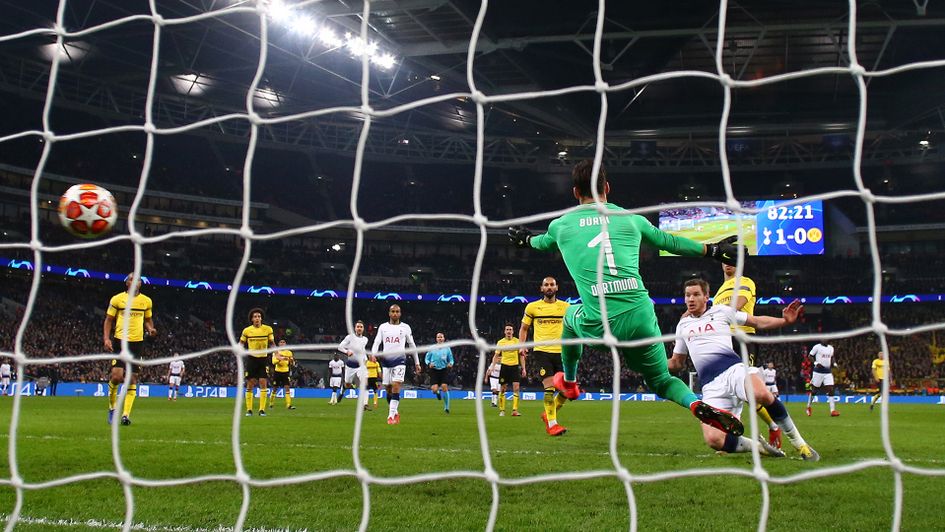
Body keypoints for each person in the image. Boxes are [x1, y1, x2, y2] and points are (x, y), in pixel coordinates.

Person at [508, 160, 744, 436]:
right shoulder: (632, 219)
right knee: (661, 380)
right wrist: (713, 251)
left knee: (570, 315)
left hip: (600, 322)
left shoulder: (561, 226)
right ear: (607, 187)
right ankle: (695, 404)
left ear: (575, 192)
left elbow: (541, 243)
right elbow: (670, 242)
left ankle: (570, 382)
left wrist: (525, 240)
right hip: (641, 316)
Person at [668, 279, 819, 460]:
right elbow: (677, 363)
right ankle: (757, 447)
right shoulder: (682, 326)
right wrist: (651, 364)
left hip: (733, 370)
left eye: (696, 294)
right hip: (710, 386)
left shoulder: (721, 311)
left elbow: (757, 322)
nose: (690, 299)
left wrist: (784, 321)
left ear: (707, 297)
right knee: (714, 439)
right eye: (687, 295)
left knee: (761, 393)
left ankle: (800, 444)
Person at [714, 261, 782, 449]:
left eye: (732, 261)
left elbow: (736, 306)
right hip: (724, 341)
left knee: (747, 391)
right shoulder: (719, 291)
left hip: (743, 340)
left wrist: (712, 314)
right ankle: (731, 439)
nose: (728, 264)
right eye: (725, 261)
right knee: (729, 391)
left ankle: (774, 425)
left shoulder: (745, 282)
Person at [103, 273, 156, 426]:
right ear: (127, 283)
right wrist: (106, 338)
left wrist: (151, 329)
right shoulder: (117, 299)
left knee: (132, 379)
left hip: (137, 343)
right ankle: (112, 408)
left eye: (138, 279)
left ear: (140, 284)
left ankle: (125, 415)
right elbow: (108, 320)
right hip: (120, 342)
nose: (135, 281)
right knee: (117, 377)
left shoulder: (146, 301)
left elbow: (148, 320)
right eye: (132, 278)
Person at [520, 277, 569, 436]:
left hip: (562, 352)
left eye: (552, 284)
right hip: (542, 352)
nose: (549, 287)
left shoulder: (566, 307)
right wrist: (522, 346)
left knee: (567, 391)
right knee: (549, 389)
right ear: (541, 288)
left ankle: (547, 413)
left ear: (557, 288)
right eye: (546, 285)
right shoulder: (533, 307)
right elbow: (524, 328)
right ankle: (552, 424)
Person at [371, 304, 421, 425]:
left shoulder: (405, 328)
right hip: (386, 361)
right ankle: (395, 411)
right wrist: (373, 354)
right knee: (388, 388)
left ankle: (390, 416)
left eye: (397, 311)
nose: (395, 314)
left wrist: (417, 362)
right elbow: (377, 341)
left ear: (400, 313)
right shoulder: (383, 327)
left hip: (400, 360)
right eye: (393, 311)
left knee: (396, 385)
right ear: (389, 313)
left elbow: (412, 345)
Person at [239, 308, 274, 417]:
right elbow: (240, 343)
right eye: (255, 317)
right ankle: (249, 410)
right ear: (252, 319)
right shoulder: (247, 331)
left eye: (259, 316)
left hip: (263, 359)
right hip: (252, 359)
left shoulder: (268, 329)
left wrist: (276, 352)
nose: (257, 318)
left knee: (263, 383)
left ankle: (261, 410)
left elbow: (272, 343)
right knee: (250, 383)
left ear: (261, 318)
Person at [487, 324, 525, 418]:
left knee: (516, 388)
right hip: (504, 367)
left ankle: (515, 410)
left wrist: (524, 368)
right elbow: (496, 356)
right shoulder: (500, 342)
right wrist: (492, 366)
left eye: (510, 329)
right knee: (503, 389)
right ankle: (502, 410)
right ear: (504, 331)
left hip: (515, 367)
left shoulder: (517, 341)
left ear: (513, 331)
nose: (508, 331)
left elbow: (521, 356)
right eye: (507, 329)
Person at [339, 321, 369, 410]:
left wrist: (366, 359)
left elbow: (362, 350)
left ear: (363, 329)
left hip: (360, 365)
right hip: (350, 366)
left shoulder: (365, 339)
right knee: (348, 384)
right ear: (355, 328)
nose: (359, 328)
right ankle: (342, 391)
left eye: (361, 327)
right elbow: (340, 347)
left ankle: (365, 404)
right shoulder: (350, 337)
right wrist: (346, 351)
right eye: (358, 326)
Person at [806, 340, 839, 417]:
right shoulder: (817, 347)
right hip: (818, 372)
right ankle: (808, 407)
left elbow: (832, 357)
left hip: (827, 371)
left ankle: (832, 411)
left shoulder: (831, 348)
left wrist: (834, 363)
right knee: (814, 390)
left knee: (831, 389)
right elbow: (810, 356)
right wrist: (816, 363)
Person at [425, 332, 454, 414]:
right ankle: (437, 392)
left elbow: (451, 359)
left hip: (444, 370)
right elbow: (426, 358)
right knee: (434, 389)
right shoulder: (432, 348)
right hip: (434, 370)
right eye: (438, 337)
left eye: (441, 337)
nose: (440, 338)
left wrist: (450, 363)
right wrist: (429, 363)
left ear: (444, 338)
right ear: (436, 339)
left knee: (444, 386)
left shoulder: (447, 349)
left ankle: (447, 407)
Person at [270, 339, 296, 410]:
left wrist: (291, 361)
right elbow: (273, 362)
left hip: (285, 372)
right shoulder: (276, 352)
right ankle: (271, 403)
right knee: (275, 388)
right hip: (277, 372)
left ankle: (288, 405)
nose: (282, 343)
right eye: (281, 342)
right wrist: (281, 358)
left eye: (283, 342)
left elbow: (292, 363)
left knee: (287, 388)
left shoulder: (289, 352)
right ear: (278, 344)